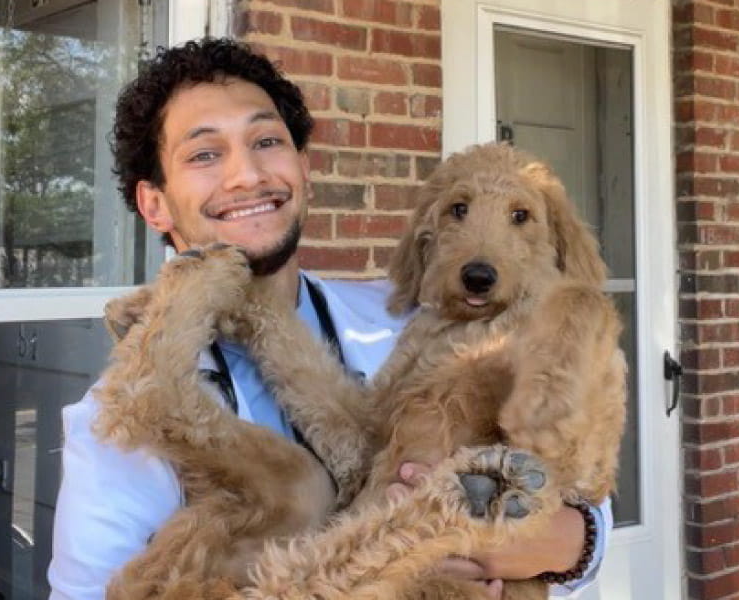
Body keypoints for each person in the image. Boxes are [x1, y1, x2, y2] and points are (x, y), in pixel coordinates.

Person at [48, 38, 612, 600]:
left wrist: (554, 543)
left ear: (303, 169)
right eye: (204, 154)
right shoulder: (108, 424)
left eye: (266, 141)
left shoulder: (414, 321)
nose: (245, 175)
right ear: (155, 204)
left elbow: (581, 503)